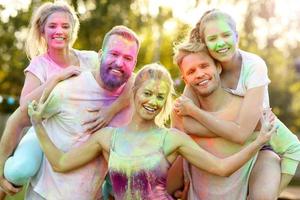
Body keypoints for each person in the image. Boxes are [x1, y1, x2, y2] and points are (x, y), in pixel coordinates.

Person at [28, 63, 275, 200]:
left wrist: (259, 141)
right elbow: (60, 163)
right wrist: (38, 124)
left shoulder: (172, 138)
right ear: (134, 92)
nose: (153, 102)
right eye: (147, 93)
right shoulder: (108, 138)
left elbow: (221, 168)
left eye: (160, 96)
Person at [0, 24, 139, 199]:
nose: (119, 62)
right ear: (100, 55)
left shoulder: (134, 100)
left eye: (128, 58)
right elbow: (18, 118)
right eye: (114, 54)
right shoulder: (67, 89)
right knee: (21, 167)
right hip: (46, 196)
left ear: (135, 64)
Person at [178, 9, 300, 199]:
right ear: (205, 43)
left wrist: (196, 112)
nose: (220, 43)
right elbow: (188, 125)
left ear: (237, 36)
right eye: (212, 38)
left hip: (259, 142)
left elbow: (242, 134)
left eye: (226, 35)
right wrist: (233, 127)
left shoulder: (253, 66)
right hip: (227, 146)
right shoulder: (203, 69)